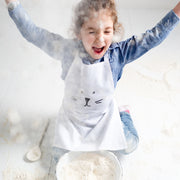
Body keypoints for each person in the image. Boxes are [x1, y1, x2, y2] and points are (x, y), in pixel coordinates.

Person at [4, 0, 180, 179]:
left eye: (107, 31)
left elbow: (153, 37)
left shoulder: (119, 53)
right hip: (72, 122)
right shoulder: (67, 51)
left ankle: (123, 113)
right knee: (57, 162)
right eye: (92, 31)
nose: (100, 39)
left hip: (103, 119)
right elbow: (34, 34)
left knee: (130, 144)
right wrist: (12, 5)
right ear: (79, 32)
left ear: (114, 30)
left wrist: (177, 12)